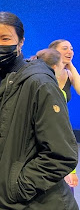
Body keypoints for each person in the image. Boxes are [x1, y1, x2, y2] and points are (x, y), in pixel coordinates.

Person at [0, 12, 80, 210]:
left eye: (5, 38)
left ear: (21, 42)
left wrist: (17, 186)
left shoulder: (39, 82)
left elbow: (62, 155)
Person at [36, 48, 79, 191]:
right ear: (55, 65)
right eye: (65, 48)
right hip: (51, 146)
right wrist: (70, 171)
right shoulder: (49, 89)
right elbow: (60, 134)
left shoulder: (38, 82)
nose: (69, 52)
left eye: (71, 49)